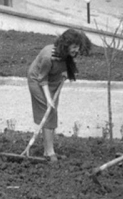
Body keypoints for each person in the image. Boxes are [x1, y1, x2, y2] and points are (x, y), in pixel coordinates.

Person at [27, 28, 92, 161]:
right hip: (38, 81)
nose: (77, 50)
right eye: (74, 47)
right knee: (48, 112)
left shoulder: (64, 54)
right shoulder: (48, 56)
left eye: (78, 47)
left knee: (52, 113)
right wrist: (49, 98)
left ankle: (47, 150)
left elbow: (65, 66)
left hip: (53, 80)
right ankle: (49, 152)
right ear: (65, 45)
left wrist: (65, 73)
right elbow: (42, 78)